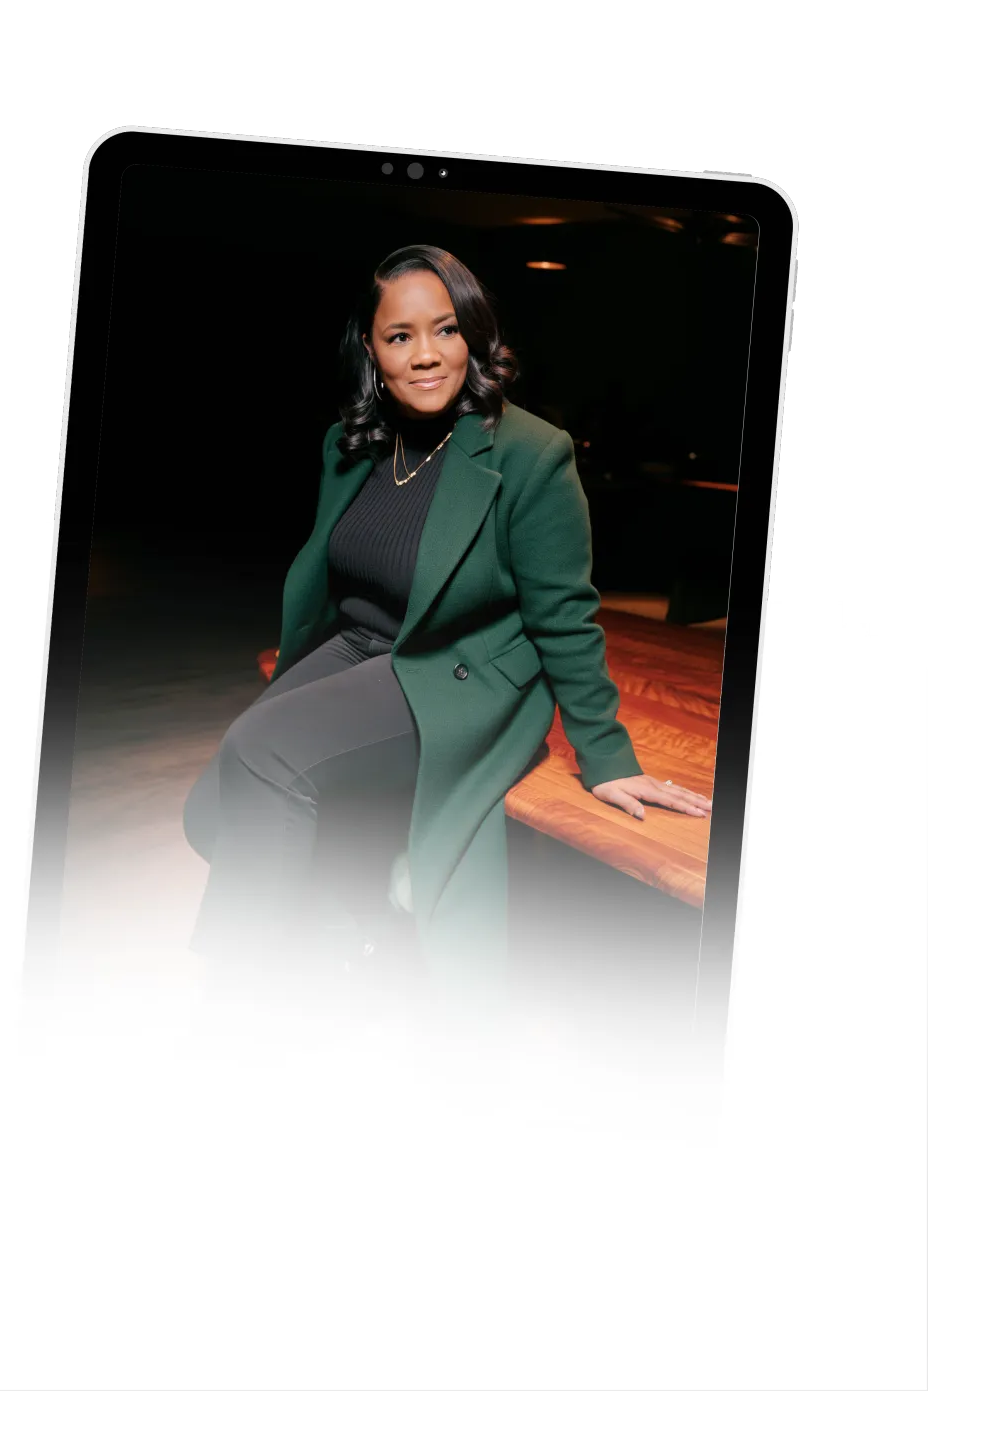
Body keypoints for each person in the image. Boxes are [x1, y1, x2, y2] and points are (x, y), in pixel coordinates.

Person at [182, 245, 711, 991]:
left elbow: (564, 615)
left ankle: (245, 994)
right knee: (236, 772)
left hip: (458, 667)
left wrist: (608, 756)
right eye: (400, 337)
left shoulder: (531, 452)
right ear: (371, 348)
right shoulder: (351, 442)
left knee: (265, 755)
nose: (426, 355)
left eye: (446, 330)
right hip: (362, 645)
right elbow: (340, 584)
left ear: (475, 336)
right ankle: (334, 941)